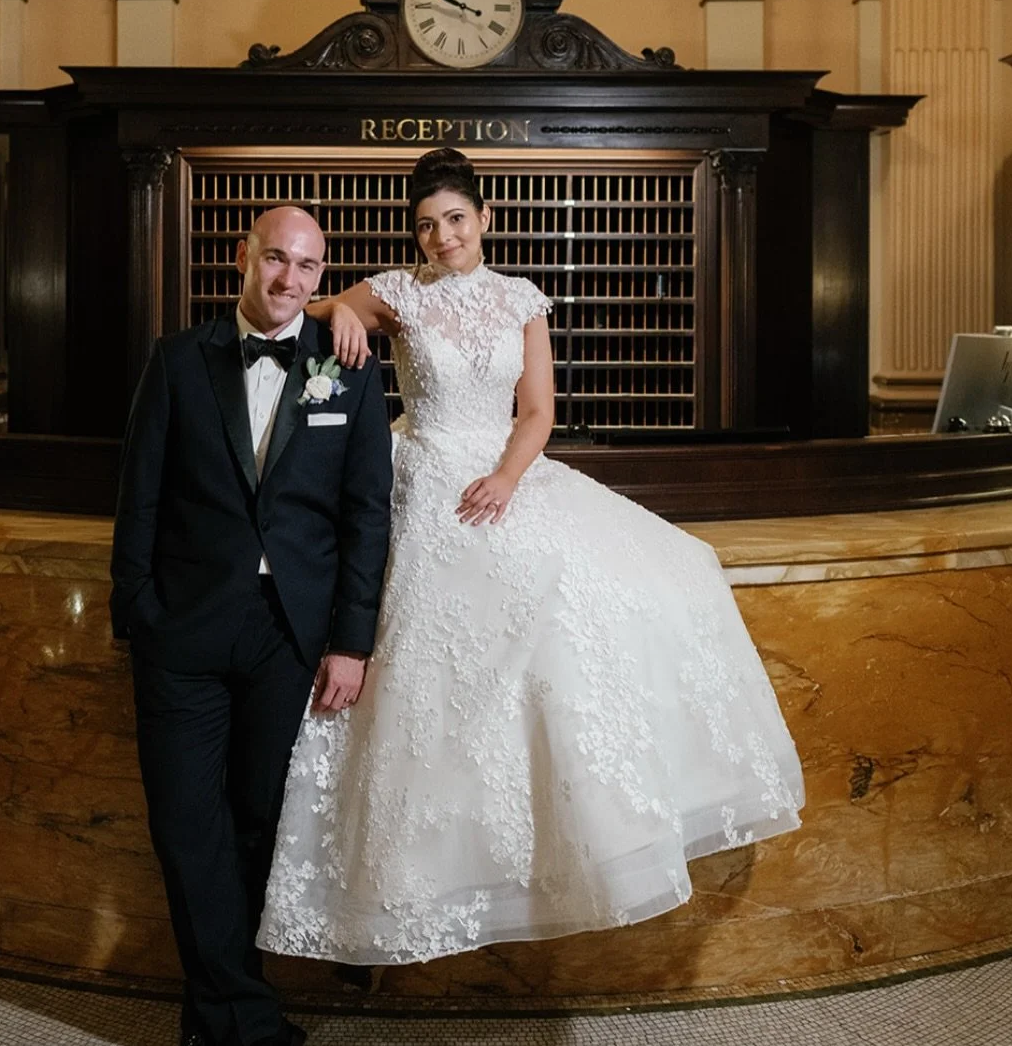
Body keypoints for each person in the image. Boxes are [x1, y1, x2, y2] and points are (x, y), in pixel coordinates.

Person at [258, 149, 803, 966]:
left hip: (504, 470)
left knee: (649, 576)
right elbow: (303, 305)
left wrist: (507, 478)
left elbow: (538, 410)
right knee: (442, 649)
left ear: (485, 218)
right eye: (426, 226)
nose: (442, 237)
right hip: (425, 471)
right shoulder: (398, 292)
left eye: (455, 219)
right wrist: (338, 310)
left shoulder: (521, 298)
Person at [110, 205, 392, 1046]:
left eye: (308, 267)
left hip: (290, 638)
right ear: (243, 257)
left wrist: (351, 640)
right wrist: (139, 613)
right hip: (184, 635)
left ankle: (210, 1027)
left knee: (257, 829)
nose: (289, 280)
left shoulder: (348, 369)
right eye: (276, 258)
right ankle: (253, 1026)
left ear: (321, 277)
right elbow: (139, 496)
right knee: (184, 828)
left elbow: (366, 515)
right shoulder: (177, 360)